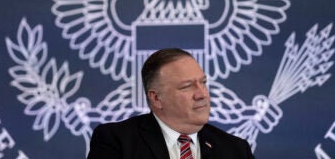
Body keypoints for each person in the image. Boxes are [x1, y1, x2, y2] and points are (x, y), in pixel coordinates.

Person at [87, 48, 254, 159]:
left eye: (203, 83)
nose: (202, 94)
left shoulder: (236, 150)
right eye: (187, 86)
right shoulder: (117, 141)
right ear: (156, 98)